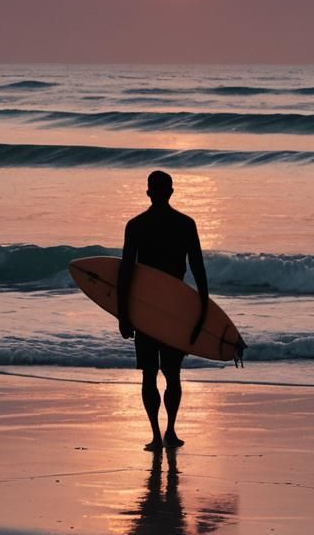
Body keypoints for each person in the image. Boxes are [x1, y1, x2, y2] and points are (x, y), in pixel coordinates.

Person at [118, 169, 208, 451]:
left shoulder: (136, 225)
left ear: (149, 192)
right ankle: (168, 431)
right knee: (172, 373)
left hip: (145, 309)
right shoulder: (185, 224)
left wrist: (124, 313)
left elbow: (125, 275)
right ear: (170, 192)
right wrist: (202, 308)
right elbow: (198, 270)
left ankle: (157, 434)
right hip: (174, 310)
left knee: (150, 374)